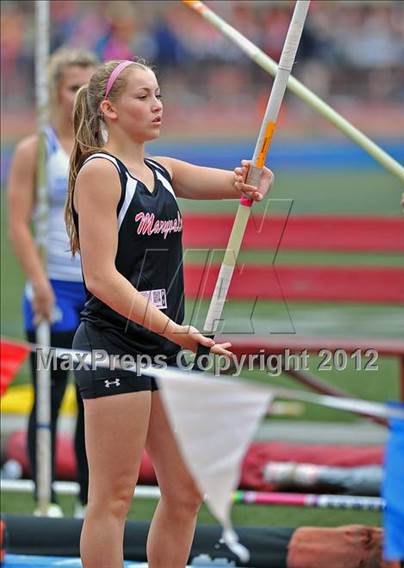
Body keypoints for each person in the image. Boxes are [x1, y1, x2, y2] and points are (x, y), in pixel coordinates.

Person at [64, 58, 274, 568]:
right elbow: (101, 277)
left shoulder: (163, 170)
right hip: (116, 346)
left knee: (185, 491)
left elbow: (234, 185)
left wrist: (251, 177)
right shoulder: (100, 172)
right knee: (112, 499)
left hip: (166, 347)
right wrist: (173, 330)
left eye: (158, 94)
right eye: (143, 96)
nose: (157, 105)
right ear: (109, 109)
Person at [7, 47, 99, 517]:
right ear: (54, 92)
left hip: (97, 286)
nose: (80, 96)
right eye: (72, 87)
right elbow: (19, 223)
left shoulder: (107, 145)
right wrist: (38, 282)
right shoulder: (35, 150)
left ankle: (89, 499)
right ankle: (45, 495)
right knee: (49, 394)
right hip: (52, 289)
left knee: (95, 398)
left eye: (89, 86)